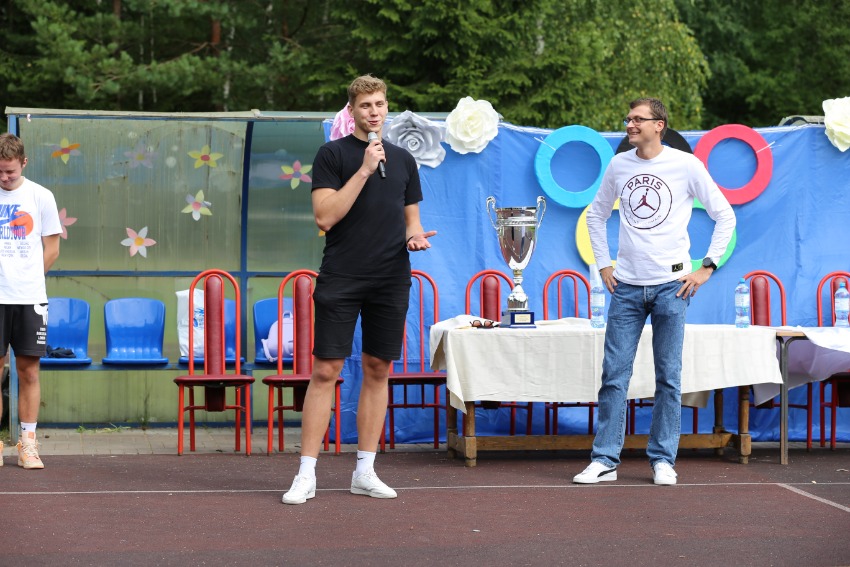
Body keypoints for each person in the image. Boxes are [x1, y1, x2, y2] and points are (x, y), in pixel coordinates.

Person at [282, 75, 436, 504]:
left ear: (387, 108)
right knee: (325, 370)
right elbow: (325, 216)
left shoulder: (403, 160)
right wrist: (365, 169)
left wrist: (415, 237)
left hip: (390, 277)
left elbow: (411, 219)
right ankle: (306, 474)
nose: (374, 111)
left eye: (380, 104)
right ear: (351, 111)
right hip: (342, 276)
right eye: (366, 105)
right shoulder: (332, 154)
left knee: (377, 368)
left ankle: (364, 471)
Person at [573, 98, 735, 486]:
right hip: (626, 287)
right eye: (628, 119)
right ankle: (605, 460)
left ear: (659, 125)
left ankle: (663, 460)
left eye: (637, 119)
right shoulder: (619, 164)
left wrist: (707, 268)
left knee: (669, 378)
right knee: (614, 376)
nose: (629, 125)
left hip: (672, 288)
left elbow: (724, 215)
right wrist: (604, 263)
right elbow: (596, 215)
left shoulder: (686, 165)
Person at [0, 133, 62, 469]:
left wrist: (29, 280)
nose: (4, 177)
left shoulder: (41, 196)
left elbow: (52, 249)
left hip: (30, 299)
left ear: (24, 163)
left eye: (10, 171)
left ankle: (27, 445)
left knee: (29, 372)